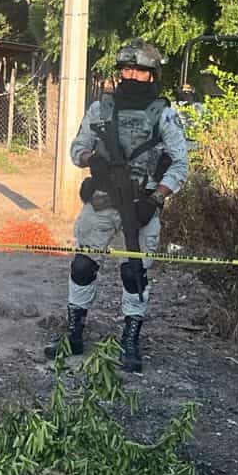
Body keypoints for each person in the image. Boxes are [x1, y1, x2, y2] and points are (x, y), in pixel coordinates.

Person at [44, 40, 189, 373]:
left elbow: (180, 164)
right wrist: (92, 159)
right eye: (126, 69)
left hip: (142, 205)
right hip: (102, 201)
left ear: (152, 75)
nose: (131, 76)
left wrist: (156, 199)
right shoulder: (101, 109)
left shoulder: (164, 114)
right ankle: (74, 334)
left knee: (134, 273)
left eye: (139, 70)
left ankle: (130, 341)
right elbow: (77, 149)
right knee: (82, 266)